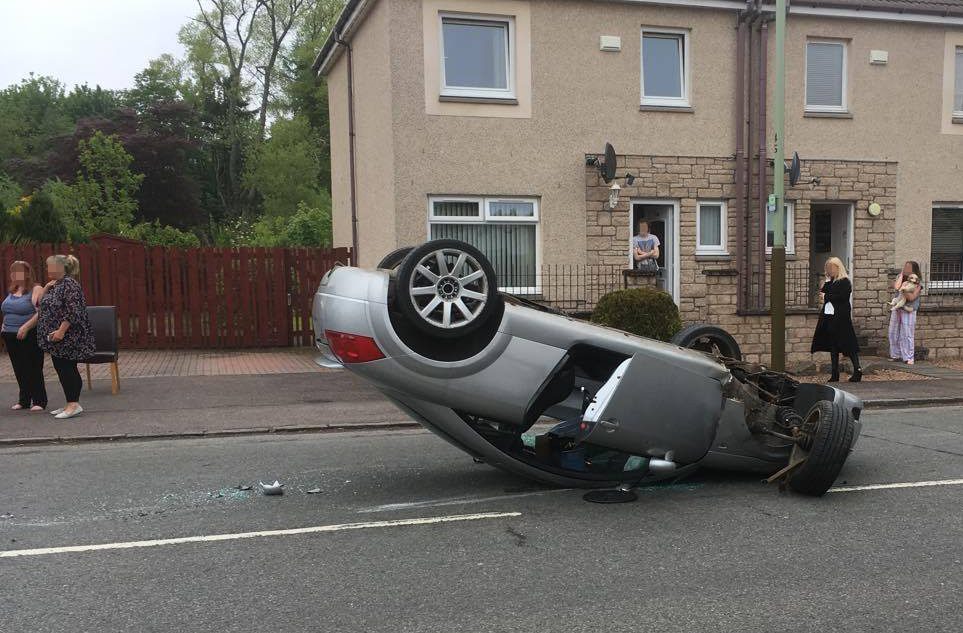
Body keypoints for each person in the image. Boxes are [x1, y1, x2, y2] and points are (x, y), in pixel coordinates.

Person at [37, 254, 95, 419]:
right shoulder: (57, 285)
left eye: (50, 266)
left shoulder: (69, 285)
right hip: (57, 338)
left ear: (60, 267)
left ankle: (73, 404)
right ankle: (69, 402)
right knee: (62, 368)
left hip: (68, 337)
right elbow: (42, 305)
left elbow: (73, 311)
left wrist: (62, 331)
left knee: (68, 368)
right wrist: (47, 288)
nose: (47, 269)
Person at [1, 261, 47, 411]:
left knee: (32, 367)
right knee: (19, 368)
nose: (14, 275)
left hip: (29, 334)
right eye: (13, 272)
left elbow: (41, 312)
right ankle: (24, 400)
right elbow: (8, 311)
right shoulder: (12, 290)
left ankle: (39, 400)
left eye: (18, 272)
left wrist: (26, 327)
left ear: (27, 273)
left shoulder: (36, 289)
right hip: (10, 334)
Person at [811, 257, 862, 383]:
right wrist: (827, 282)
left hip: (841, 318)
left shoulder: (844, 282)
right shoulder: (830, 282)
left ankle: (857, 370)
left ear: (838, 268)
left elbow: (842, 297)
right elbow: (823, 293)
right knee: (833, 345)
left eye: (831, 268)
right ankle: (835, 373)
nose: (829, 270)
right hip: (830, 317)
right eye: (828, 268)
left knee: (848, 345)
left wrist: (827, 296)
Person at [888, 260, 922, 365]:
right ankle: (896, 354)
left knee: (907, 333)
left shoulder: (917, 283)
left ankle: (908, 357)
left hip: (909, 309)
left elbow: (911, 297)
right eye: (905, 267)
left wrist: (904, 289)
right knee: (893, 331)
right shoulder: (900, 277)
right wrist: (901, 278)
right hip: (898, 307)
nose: (906, 269)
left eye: (908, 267)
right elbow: (895, 287)